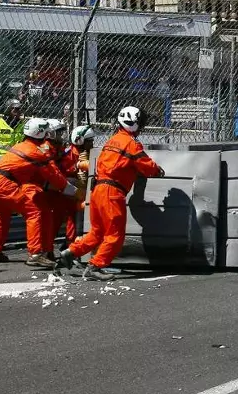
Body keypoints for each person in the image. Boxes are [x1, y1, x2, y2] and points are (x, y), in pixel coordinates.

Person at [56, 107, 164, 281]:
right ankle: (95, 266)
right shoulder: (131, 143)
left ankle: (70, 252)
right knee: (115, 235)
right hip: (112, 192)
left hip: (98, 190)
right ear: (134, 123)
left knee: (97, 232)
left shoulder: (111, 141)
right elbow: (146, 166)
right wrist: (159, 171)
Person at [0, 118, 68, 266]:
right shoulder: (37, 151)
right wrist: (71, 190)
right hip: (5, 184)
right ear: (40, 133)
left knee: (3, 215)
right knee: (34, 212)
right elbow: (55, 178)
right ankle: (35, 254)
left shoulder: (21, 145)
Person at [45, 121, 91, 252]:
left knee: (74, 212)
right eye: (89, 141)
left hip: (67, 189)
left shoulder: (68, 150)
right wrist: (77, 168)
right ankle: (46, 248)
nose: (92, 143)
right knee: (58, 216)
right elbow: (60, 174)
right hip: (59, 189)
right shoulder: (67, 153)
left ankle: (70, 243)